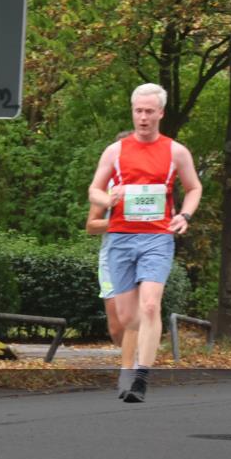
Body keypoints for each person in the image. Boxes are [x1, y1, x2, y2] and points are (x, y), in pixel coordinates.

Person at [89, 83, 202, 403]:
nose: (143, 117)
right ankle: (133, 360)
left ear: (160, 113)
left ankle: (140, 376)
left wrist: (185, 215)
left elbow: (194, 187)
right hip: (121, 238)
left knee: (150, 304)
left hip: (157, 237)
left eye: (149, 111)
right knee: (126, 318)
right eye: (138, 111)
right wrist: (109, 197)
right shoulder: (115, 151)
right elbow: (94, 191)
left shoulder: (176, 151)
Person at [85, 130, 138, 398]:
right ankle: (132, 353)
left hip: (144, 255)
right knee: (116, 327)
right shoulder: (107, 187)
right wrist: (117, 221)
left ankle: (131, 370)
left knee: (134, 317)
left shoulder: (153, 184)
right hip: (112, 257)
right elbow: (91, 225)